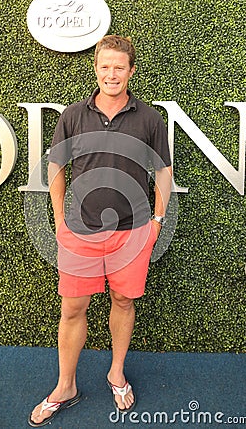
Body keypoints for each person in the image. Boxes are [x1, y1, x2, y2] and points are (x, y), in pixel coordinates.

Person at [28, 35, 172, 427]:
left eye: (119, 67)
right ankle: (66, 386)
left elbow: (163, 171)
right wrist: (58, 221)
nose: (112, 74)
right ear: (96, 68)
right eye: (105, 66)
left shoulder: (149, 118)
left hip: (133, 232)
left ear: (131, 71)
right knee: (72, 309)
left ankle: (116, 373)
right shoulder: (73, 115)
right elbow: (55, 168)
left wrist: (156, 221)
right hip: (80, 232)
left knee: (124, 302)